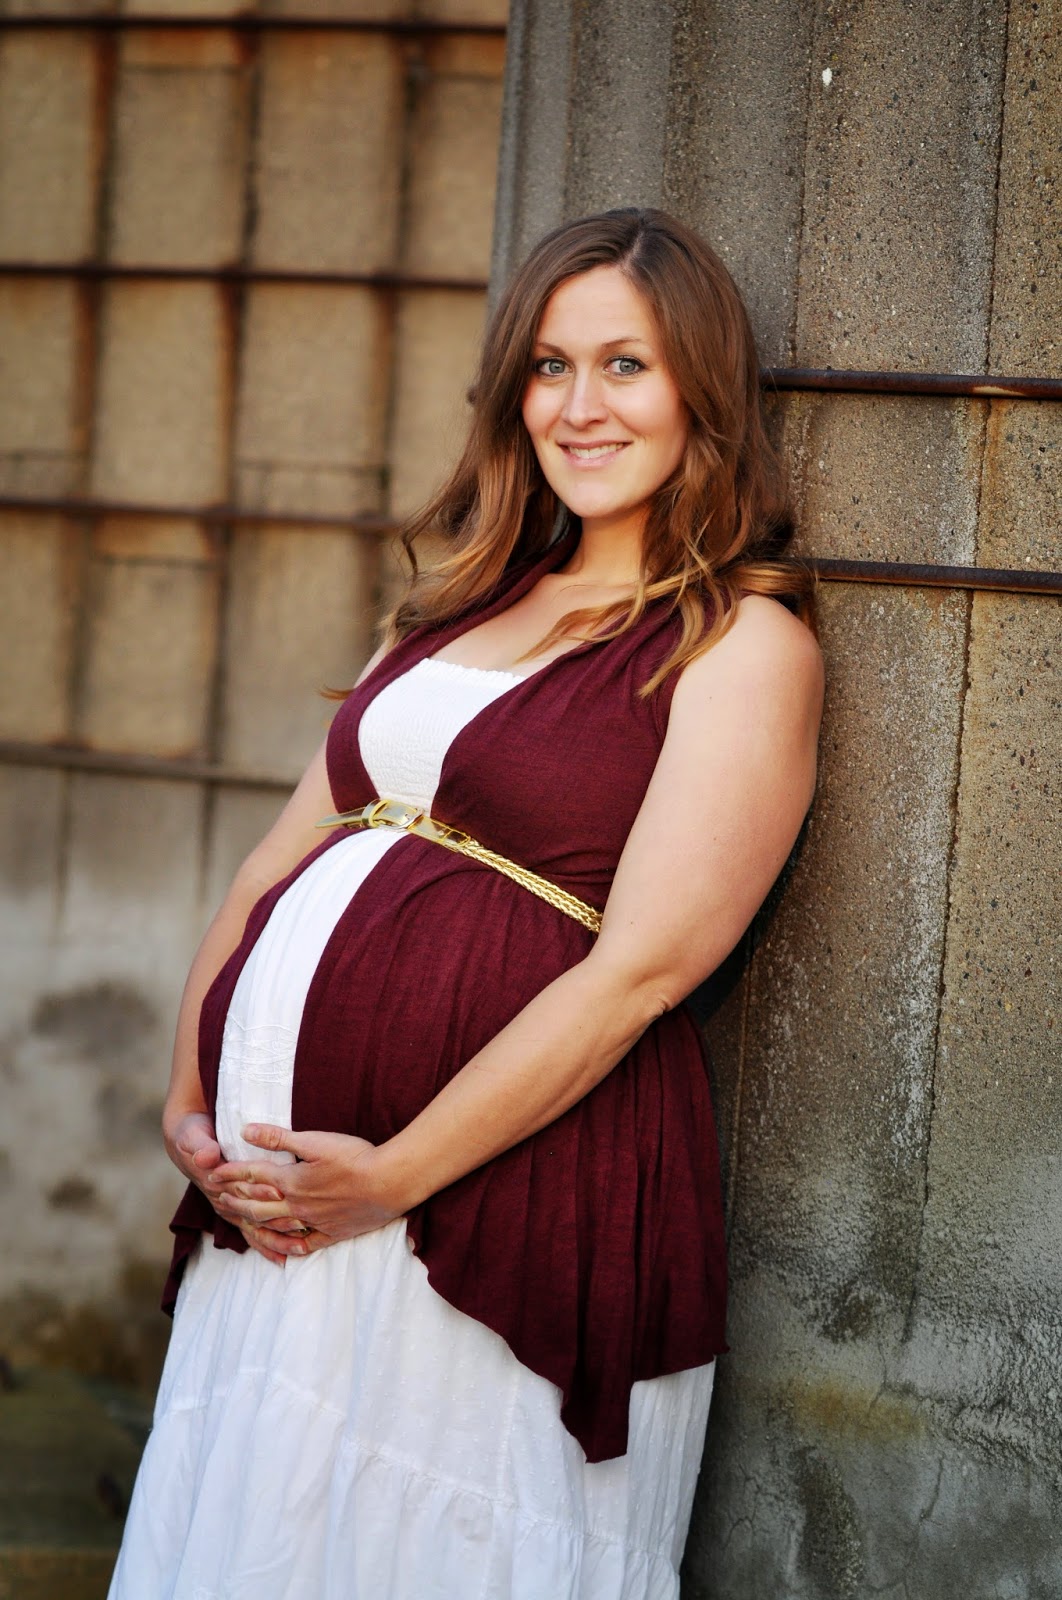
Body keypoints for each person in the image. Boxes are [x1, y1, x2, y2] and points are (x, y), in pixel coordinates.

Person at [108, 207, 823, 1600]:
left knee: (426, 1535)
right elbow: (274, 866)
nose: (578, 406)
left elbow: (643, 970)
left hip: (498, 1187)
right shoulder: (446, 611)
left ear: (703, 390)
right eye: (549, 367)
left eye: (625, 365)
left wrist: (392, 1178)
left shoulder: (741, 644)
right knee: (265, 1522)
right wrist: (190, 1104)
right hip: (285, 1195)